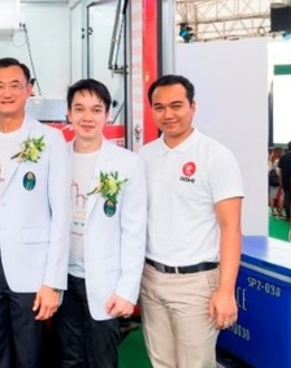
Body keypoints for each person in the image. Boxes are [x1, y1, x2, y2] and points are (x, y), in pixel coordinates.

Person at [0, 57, 70, 368]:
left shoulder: (50, 140)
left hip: (32, 265)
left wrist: (53, 282)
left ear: (29, 90)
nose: (7, 93)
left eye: (15, 85)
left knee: (30, 354)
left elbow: (61, 214)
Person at [139, 74, 243, 368]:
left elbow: (231, 228)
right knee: (161, 362)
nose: (168, 114)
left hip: (196, 283)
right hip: (151, 278)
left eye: (176, 105)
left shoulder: (216, 156)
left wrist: (225, 291)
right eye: (159, 107)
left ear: (192, 107)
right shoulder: (144, 157)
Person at [55, 79, 146, 368]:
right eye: (79, 109)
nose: (87, 117)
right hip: (63, 279)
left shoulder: (127, 163)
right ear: (69, 113)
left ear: (107, 114)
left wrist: (127, 289)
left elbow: (134, 231)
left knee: (102, 360)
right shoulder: (55, 157)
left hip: (105, 282)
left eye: (96, 110)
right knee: (69, 359)